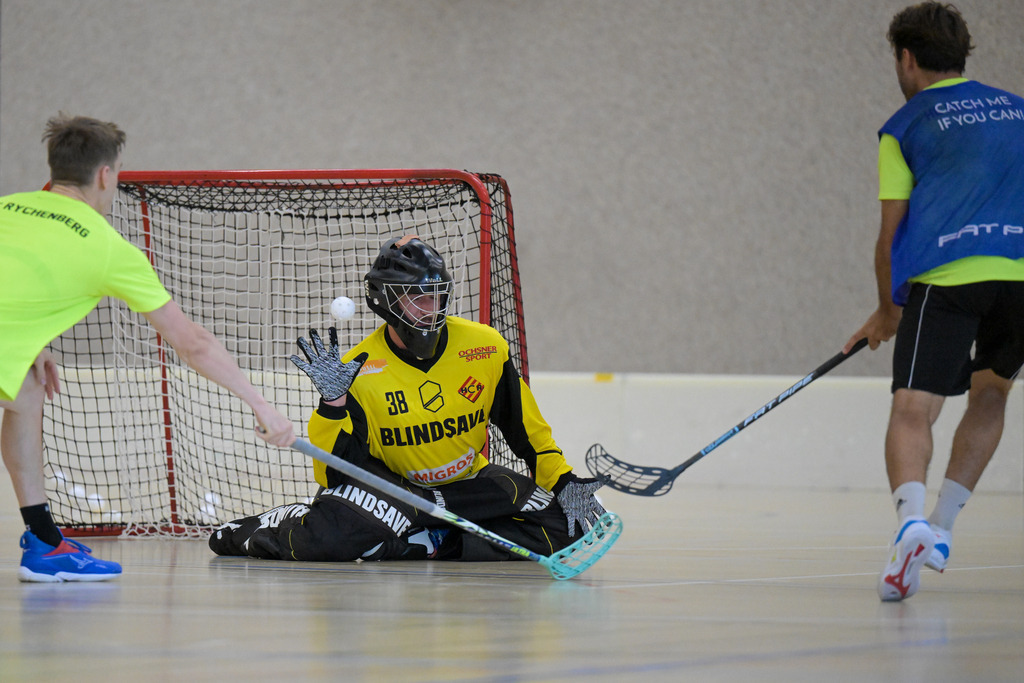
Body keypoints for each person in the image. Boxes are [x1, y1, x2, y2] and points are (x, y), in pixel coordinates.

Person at [0, 114, 295, 582]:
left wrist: (30, 343)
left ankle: (43, 540)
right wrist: (262, 406)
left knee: (27, 390)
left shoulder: (8, 207)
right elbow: (192, 343)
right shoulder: (108, 248)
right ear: (104, 174)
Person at [210, 235, 607, 563]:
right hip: (396, 492)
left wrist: (564, 481)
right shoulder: (358, 368)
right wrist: (333, 403)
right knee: (329, 543)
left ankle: (430, 542)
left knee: (569, 525)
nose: (431, 310)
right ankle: (278, 522)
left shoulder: (485, 347)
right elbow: (332, 473)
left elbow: (529, 435)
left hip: (467, 486)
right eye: (419, 299)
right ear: (386, 300)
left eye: (437, 297)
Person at [844, 3, 1024, 602]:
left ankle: (912, 522)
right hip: (1020, 280)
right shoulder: (1019, 111)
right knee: (991, 392)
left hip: (948, 281)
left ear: (907, 57)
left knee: (912, 410)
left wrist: (888, 309)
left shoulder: (906, 125)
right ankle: (940, 532)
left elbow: (890, 233)